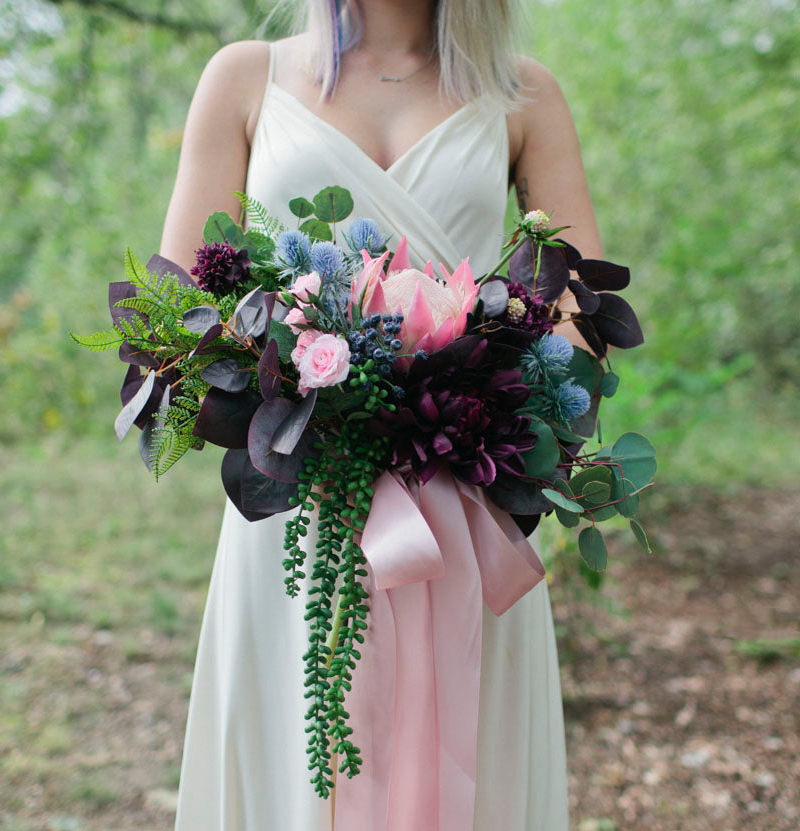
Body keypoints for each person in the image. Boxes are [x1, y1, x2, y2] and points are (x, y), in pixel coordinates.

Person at [161, 1, 603, 828]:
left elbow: (577, 316)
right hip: (300, 491)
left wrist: (484, 401)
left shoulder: (522, 96)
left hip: (462, 495)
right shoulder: (244, 76)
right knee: (298, 750)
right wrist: (312, 394)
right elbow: (182, 301)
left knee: (463, 751)